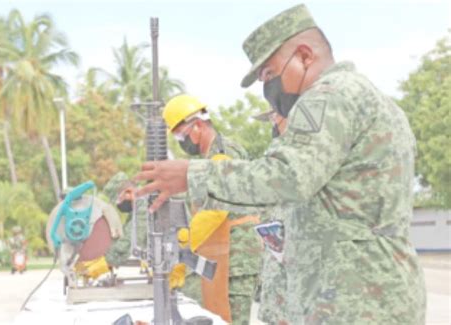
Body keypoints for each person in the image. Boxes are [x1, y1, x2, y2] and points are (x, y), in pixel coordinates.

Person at [134, 3, 427, 324]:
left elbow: (289, 176)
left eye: (270, 74)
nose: (267, 89)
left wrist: (192, 176)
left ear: (304, 56)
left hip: (354, 300)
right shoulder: (377, 102)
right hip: (375, 291)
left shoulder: (329, 96)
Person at [162, 94, 262, 324]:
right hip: (223, 251)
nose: (181, 141)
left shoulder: (224, 152)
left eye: (180, 135)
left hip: (237, 255)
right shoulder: (209, 157)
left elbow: (214, 212)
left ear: (197, 126)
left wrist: (182, 250)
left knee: (230, 320)